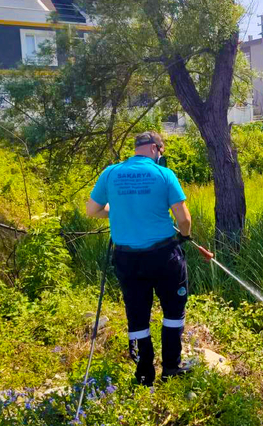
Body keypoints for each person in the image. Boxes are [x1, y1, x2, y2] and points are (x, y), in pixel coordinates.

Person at [86, 131, 193, 386]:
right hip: (163, 255)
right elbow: (184, 219)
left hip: (127, 258)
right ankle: (171, 367)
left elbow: (92, 210)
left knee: (137, 314)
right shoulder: (164, 174)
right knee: (173, 311)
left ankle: (144, 373)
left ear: (136, 149)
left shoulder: (111, 173)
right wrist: (184, 237)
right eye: (162, 151)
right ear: (156, 148)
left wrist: (116, 211)